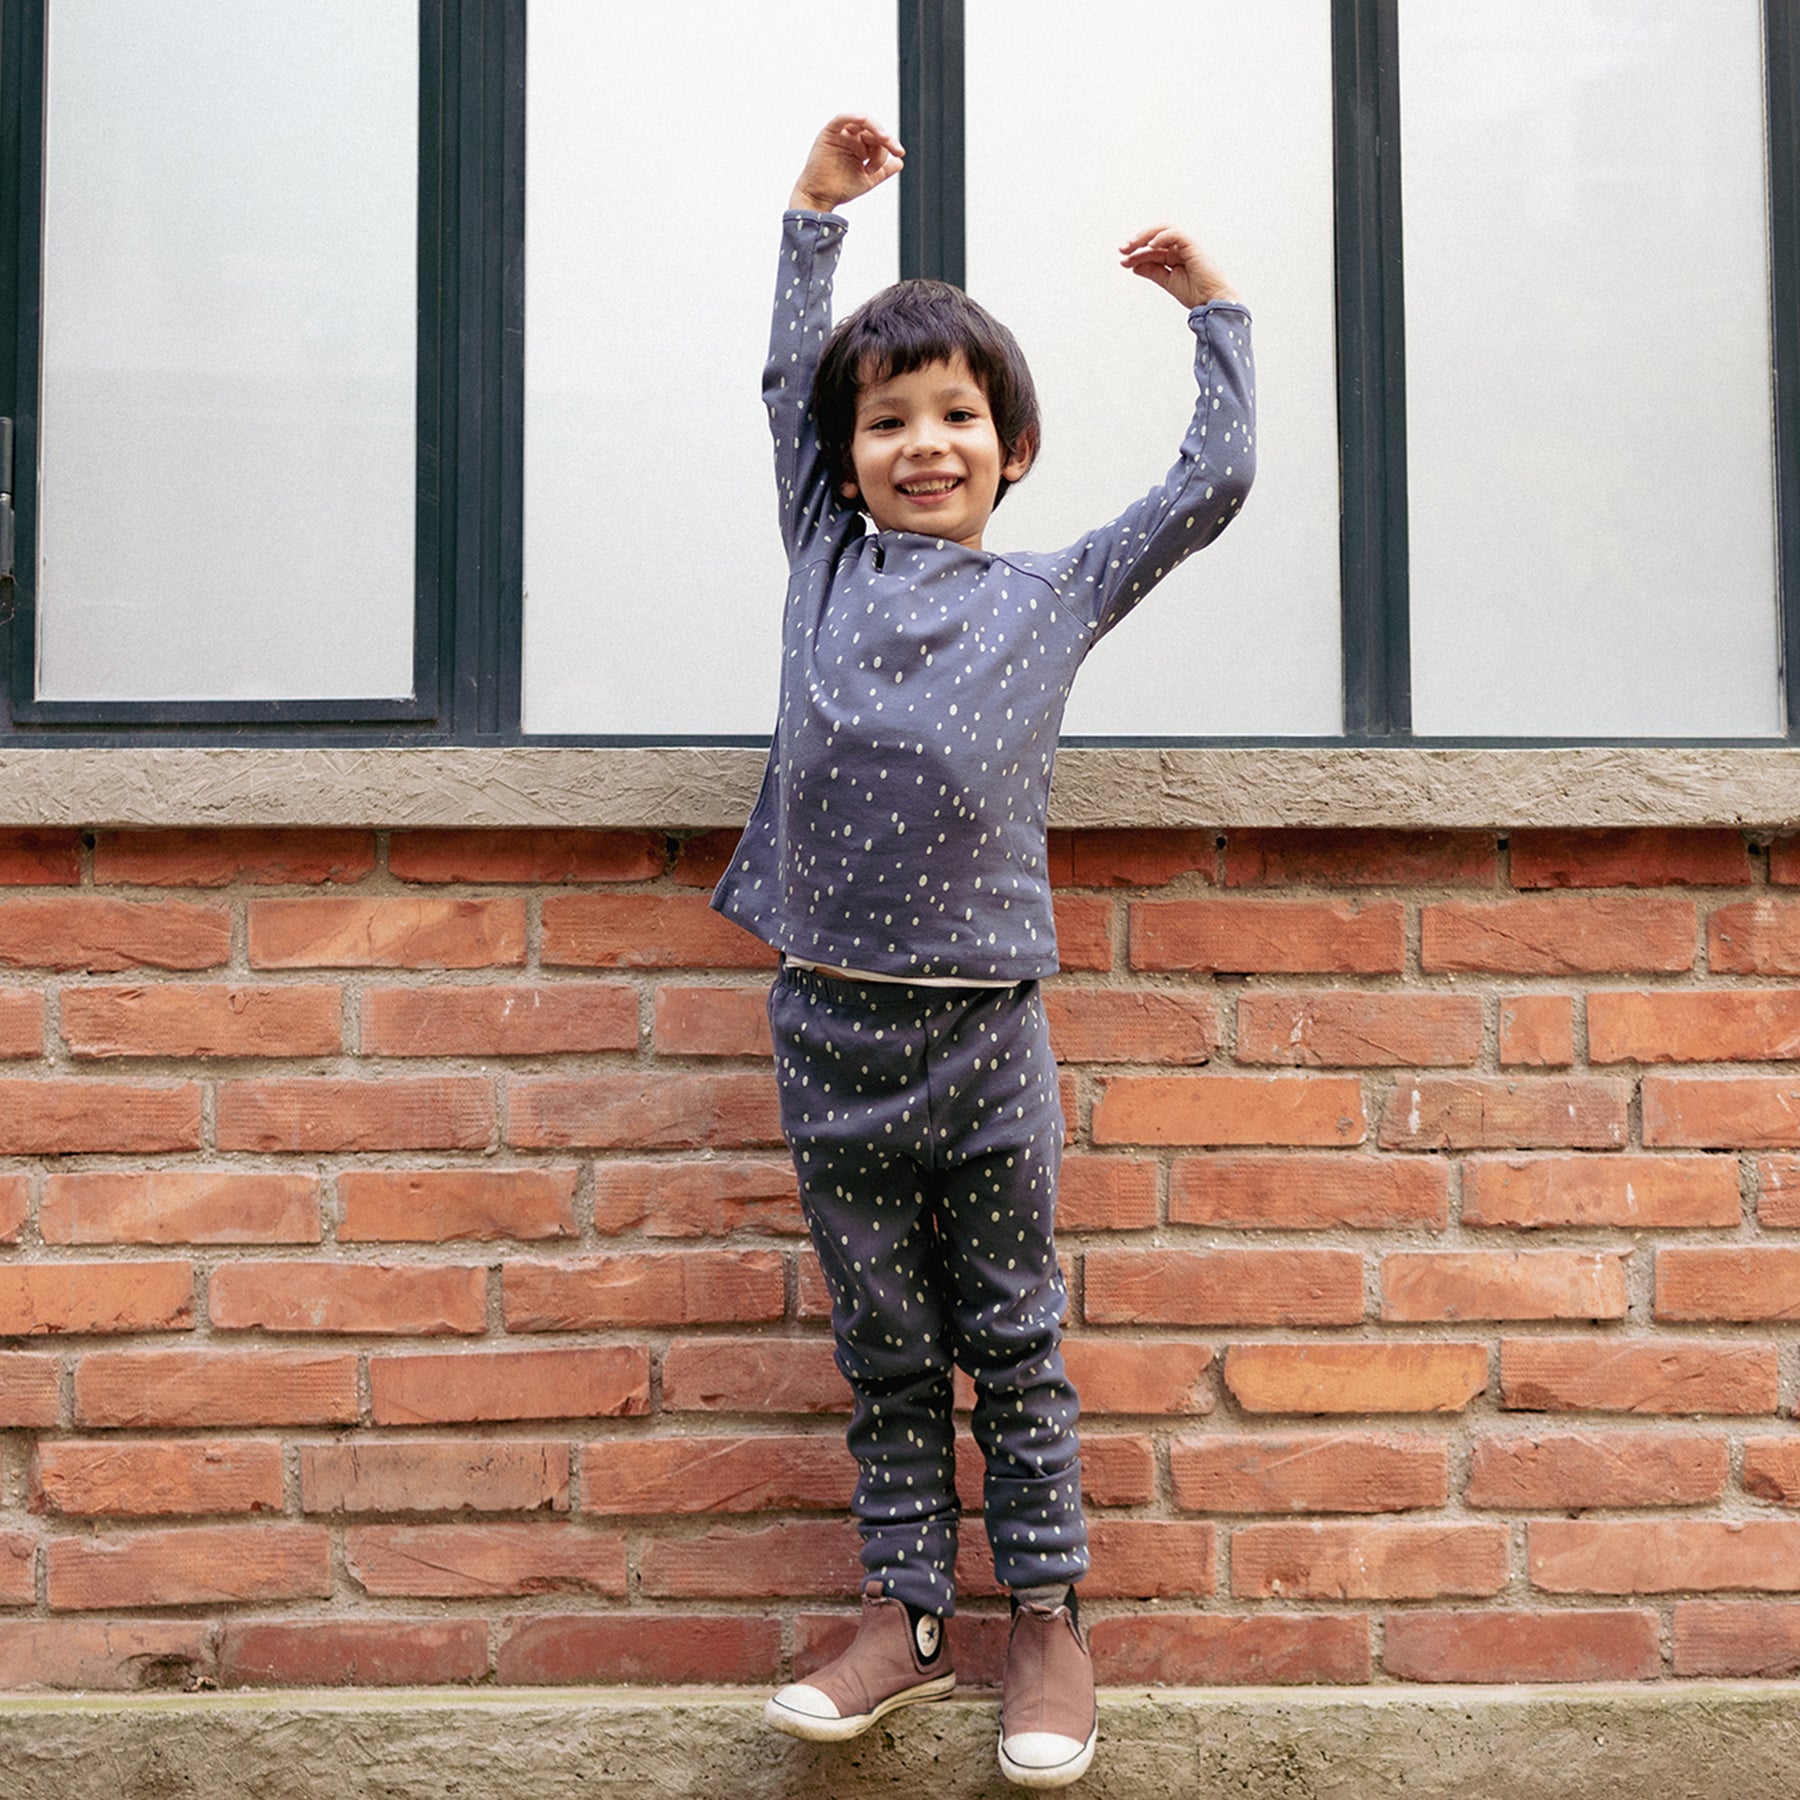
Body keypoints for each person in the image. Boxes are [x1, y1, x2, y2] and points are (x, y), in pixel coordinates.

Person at [712, 114, 1254, 1790]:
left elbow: (1211, 485)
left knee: (1009, 1339)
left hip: (984, 1037)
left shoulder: (1058, 590)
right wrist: (813, 221)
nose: (920, 444)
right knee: (883, 1344)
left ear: (1012, 448)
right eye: (888, 422)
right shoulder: (821, 560)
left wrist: (1210, 307)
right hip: (830, 1027)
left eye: (956, 417)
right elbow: (785, 383)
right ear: (849, 453)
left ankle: (1049, 1622)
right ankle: (903, 1610)